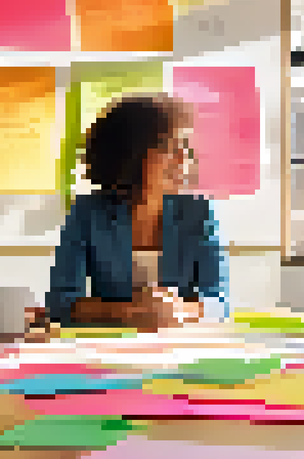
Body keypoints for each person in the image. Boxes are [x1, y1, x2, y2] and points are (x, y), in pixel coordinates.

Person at [35, 93, 228, 334]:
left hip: (182, 346)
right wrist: (130, 311)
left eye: (185, 148)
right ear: (133, 155)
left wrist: (178, 310)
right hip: (110, 348)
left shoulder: (199, 212)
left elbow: (219, 303)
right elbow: (60, 302)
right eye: (170, 148)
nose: (183, 159)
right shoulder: (88, 212)